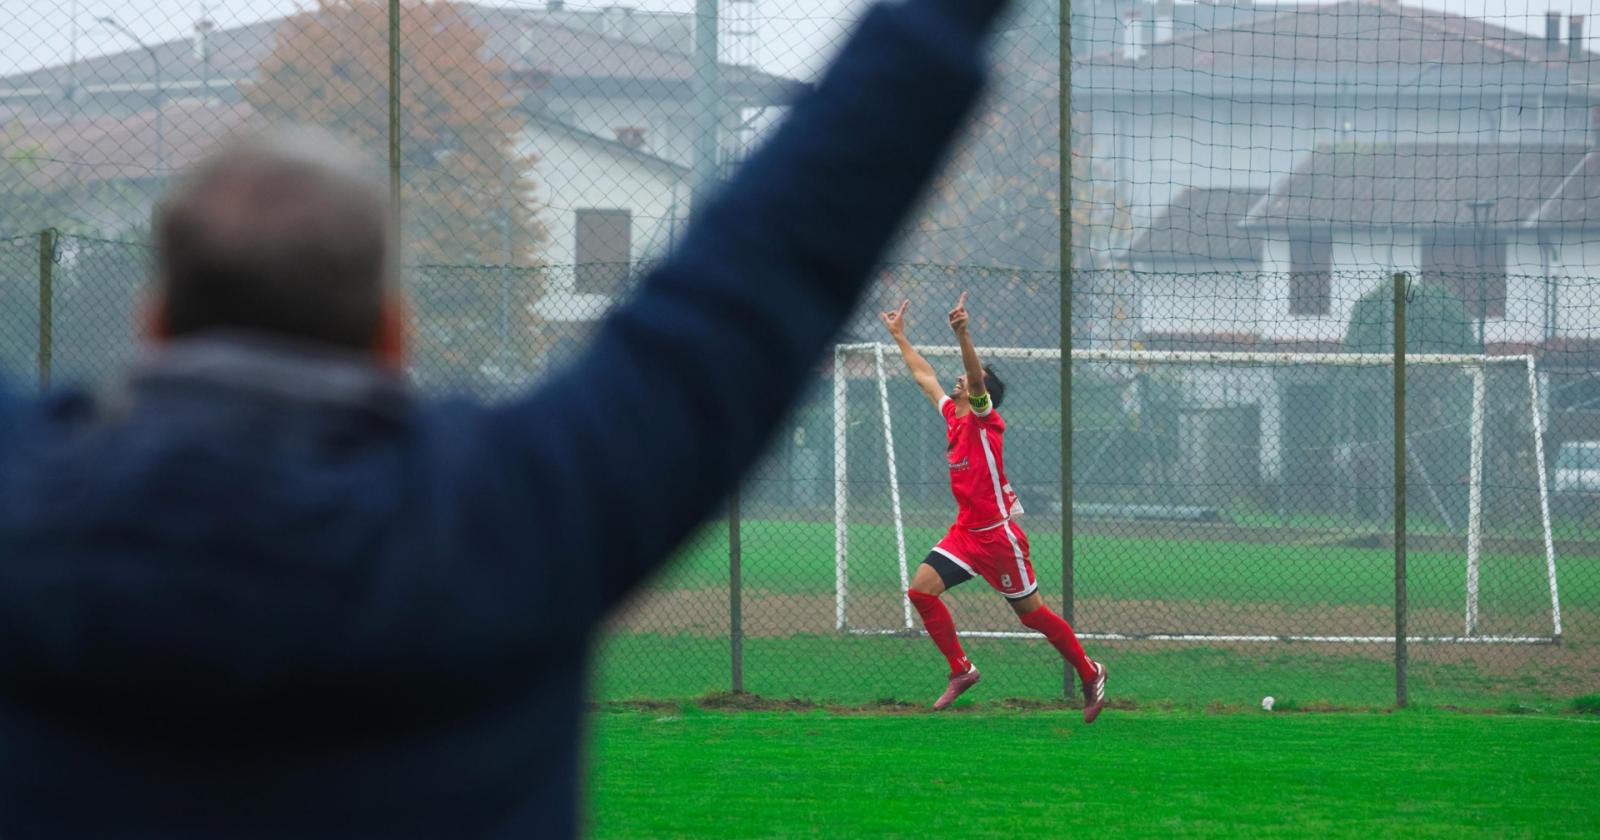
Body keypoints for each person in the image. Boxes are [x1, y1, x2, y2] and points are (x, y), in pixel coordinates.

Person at [0, 0, 1014, 834]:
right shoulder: (508, 522)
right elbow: (775, 257)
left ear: (154, 322)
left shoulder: (21, 504)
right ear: (392, 332)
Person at [880, 294, 1107, 719]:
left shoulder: (986, 421)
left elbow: (977, 380)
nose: (962, 380)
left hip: (998, 536)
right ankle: (961, 669)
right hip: (965, 533)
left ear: (982, 391)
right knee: (920, 591)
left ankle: (1090, 671)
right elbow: (923, 376)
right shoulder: (953, 415)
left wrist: (963, 334)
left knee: (1032, 615)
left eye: (971, 378)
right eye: (967, 377)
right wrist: (899, 336)